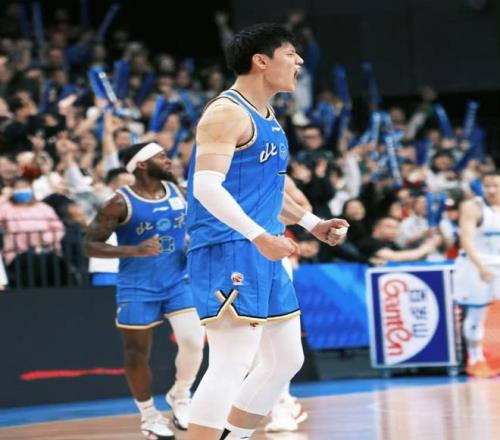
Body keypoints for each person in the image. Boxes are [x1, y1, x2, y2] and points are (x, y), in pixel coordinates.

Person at [186, 23, 348, 440]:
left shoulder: (270, 117)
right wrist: (258, 236)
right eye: (290, 54)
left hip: (262, 247)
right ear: (261, 61)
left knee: (285, 359)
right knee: (231, 361)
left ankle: (233, 436)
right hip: (227, 246)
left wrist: (312, 224)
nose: (299, 61)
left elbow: (269, 193)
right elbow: (206, 187)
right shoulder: (227, 112)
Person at [84, 142, 204, 439]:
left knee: (193, 342)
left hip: (178, 281)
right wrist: (133, 250)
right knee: (137, 354)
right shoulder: (119, 202)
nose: (169, 160)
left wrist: (193, 245)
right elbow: (89, 245)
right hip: (137, 287)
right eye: (161, 157)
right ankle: (149, 416)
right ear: (141, 164)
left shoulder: (179, 192)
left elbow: (195, 228)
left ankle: (181, 393)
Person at [454, 172, 500, 378]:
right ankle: (475, 359)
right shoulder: (472, 207)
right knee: (476, 312)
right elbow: (466, 240)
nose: (491, 190)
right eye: (487, 185)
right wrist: (480, 267)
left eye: (496, 185)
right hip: (475, 264)